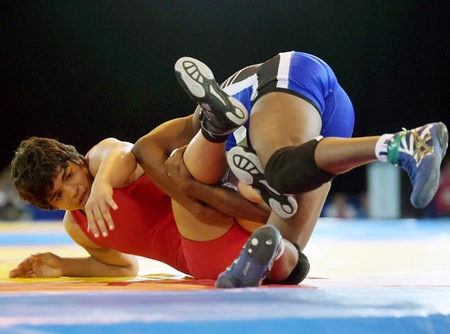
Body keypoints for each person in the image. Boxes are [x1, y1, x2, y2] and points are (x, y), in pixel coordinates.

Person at [139, 51, 448, 288]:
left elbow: (143, 148)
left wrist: (188, 192)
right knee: (289, 244)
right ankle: (254, 263)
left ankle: (407, 144)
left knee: (279, 169)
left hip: (284, 83)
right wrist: (191, 193)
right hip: (317, 117)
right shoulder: (218, 166)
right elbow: (263, 217)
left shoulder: (193, 134)